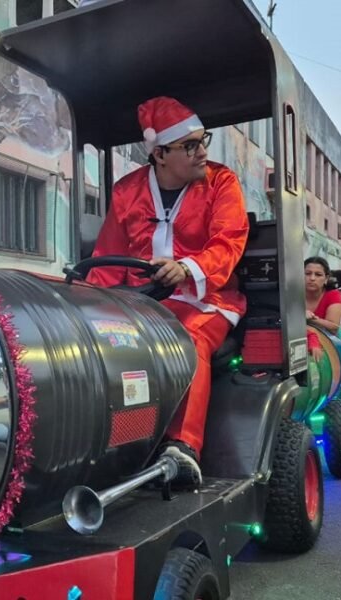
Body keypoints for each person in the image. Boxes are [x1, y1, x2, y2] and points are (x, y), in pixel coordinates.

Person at [88, 96, 249, 487]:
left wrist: (187, 268)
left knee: (186, 337)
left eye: (202, 140)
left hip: (207, 299)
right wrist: (92, 309)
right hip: (142, 302)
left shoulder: (221, 181)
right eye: (190, 145)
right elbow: (108, 256)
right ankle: (116, 444)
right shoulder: (127, 191)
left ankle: (183, 447)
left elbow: (229, 241)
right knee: (105, 344)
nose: (203, 151)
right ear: (160, 154)